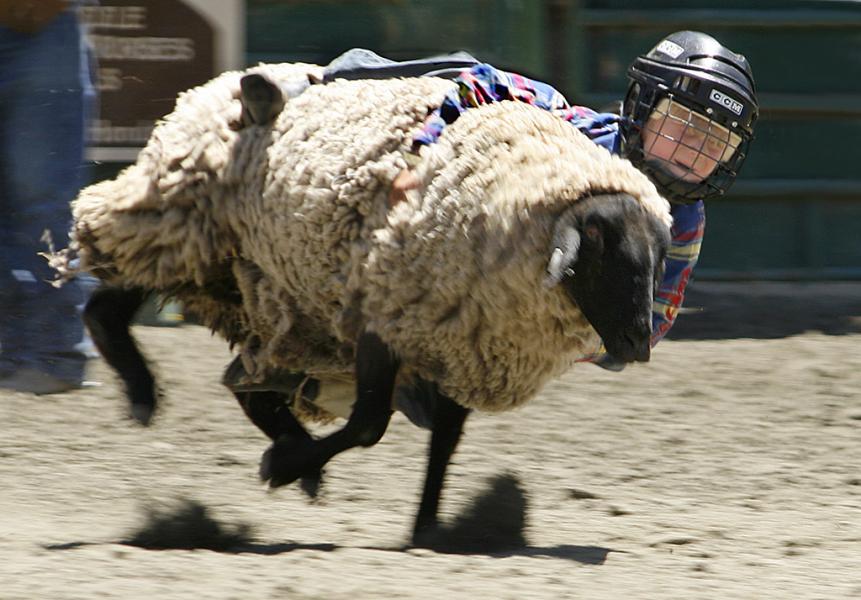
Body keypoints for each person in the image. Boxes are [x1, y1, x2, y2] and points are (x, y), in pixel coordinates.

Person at [389, 30, 759, 370]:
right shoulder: (576, 132)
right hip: (443, 242)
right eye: (684, 125)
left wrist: (553, 334)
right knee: (426, 68)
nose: (695, 152)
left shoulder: (686, 218)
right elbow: (485, 81)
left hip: (495, 315)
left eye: (717, 144)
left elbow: (652, 324)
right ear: (644, 106)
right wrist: (418, 154)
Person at [0, 0, 97, 394]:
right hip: (35, 28)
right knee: (37, 194)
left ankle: (53, 352)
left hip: (37, 28)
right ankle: (22, 351)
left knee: (40, 195)